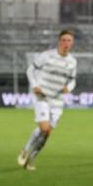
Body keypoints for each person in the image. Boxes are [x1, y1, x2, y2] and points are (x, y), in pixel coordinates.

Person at [17, 30, 77, 171]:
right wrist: (35, 86)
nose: (66, 43)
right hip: (42, 96)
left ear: (72, 43)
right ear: (59, 41)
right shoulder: (47, 55)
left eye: (69, 40)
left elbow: (72, 80)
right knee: (44, 128)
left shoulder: (72, 61)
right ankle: (25, 150)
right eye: (64, 40)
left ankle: (30, 159)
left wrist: (68, 88)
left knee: (46, 133)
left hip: (57, 100)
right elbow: (30, 70)